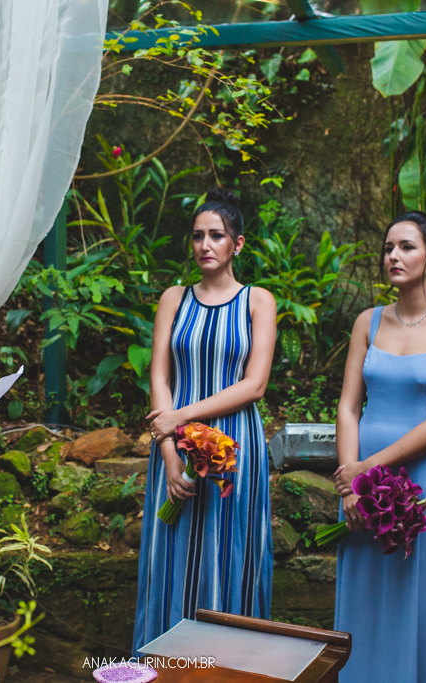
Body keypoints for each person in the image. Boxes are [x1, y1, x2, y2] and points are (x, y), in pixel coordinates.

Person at [332, 211, 426, 683]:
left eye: (407, 247)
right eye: (389, 247)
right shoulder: (367, 322)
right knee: (364, 600)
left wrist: (368, 467)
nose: (393, 255)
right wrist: (352, 483)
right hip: (359, 487)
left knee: (419, 603)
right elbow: (349, 407)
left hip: (423, 483)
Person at [132, 187, 277, 654]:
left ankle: (228, 664)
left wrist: (180, 417)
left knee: (230, 553)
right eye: (198, 236)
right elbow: (159, 373)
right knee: (170, 553)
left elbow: (254, 385)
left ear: (237, 244)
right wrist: (171, 450)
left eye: (216, 235)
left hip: (235, 447)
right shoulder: (174, 298)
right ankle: (166, 663)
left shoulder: (258, 301)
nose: (205, 245)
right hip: (171, 442)